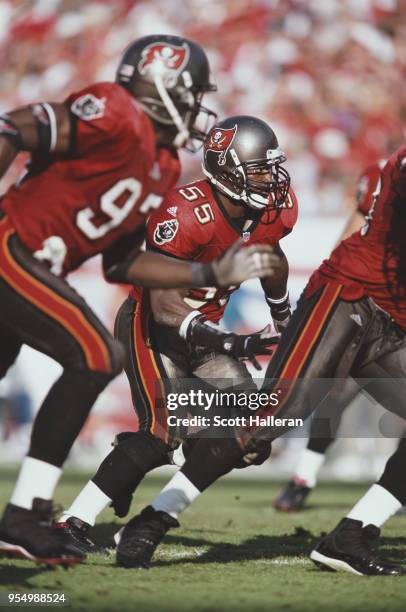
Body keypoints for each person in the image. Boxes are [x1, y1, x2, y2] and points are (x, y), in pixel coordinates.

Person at [0, 35, 277, 567]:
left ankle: (30, 514)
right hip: (12, 248)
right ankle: (26, 515)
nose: (198, 107)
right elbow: (12, 126)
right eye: (193, 93)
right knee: (98, 355)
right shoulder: (116, 110)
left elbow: (121, 263)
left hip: (34, 264)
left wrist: (206, 272)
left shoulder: (164, 163)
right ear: (164, 87)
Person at [118, 144, 406, 575]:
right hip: (349, 298)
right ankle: (156, 517)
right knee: (269, 420)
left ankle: (352, 535)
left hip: (393, 320)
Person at [56, 115, 297, 565]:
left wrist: (283, 313)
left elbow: (272, 255)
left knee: (253, 435)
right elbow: (164, 304)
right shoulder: (185, 212)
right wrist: (228, 340)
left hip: (208, 336)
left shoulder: (271, 210)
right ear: (228, 170)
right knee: (160, 433)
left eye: (271, 167)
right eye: (260, 169)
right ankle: (72, 521)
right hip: (151, 328)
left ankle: (132, 473)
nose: (272, 178)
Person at [273, 160, 386, 512]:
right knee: (334, 394)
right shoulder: (382, 175)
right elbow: (348, 240)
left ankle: (388, 493)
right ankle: (303, 478)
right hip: (376, 307)